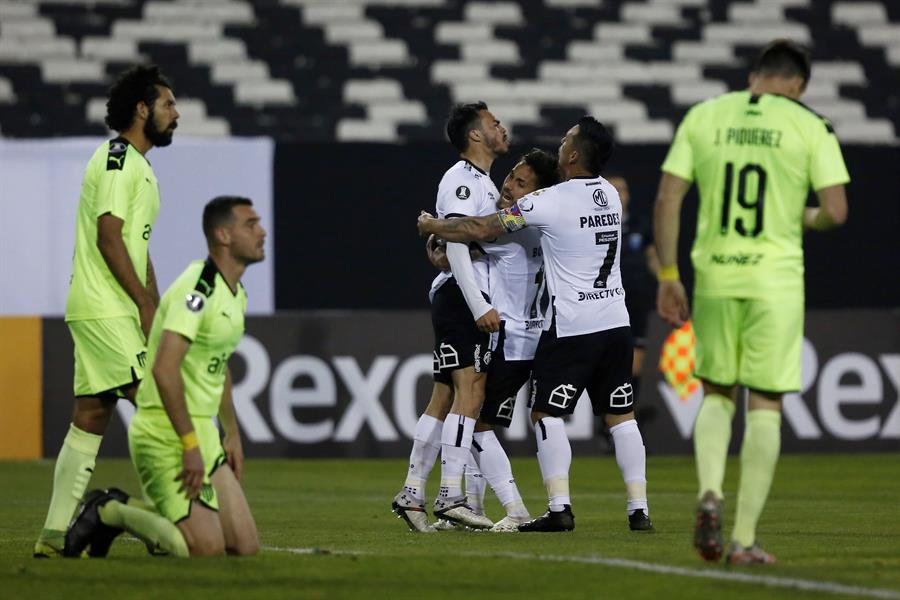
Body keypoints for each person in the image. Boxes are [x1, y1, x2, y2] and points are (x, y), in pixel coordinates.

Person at [653, 39, 849, 565]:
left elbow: (668, 196)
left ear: (754, 76)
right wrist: (804, 217)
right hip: (775, 282)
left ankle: (709, 491)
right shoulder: (810, 125)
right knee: (765, 403)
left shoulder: (704, 116)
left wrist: (669, 274)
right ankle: (742, 540)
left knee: (716, 393)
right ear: (798, 85)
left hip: (715, 275)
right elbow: (836, 210)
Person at [418, 117, 652, 533]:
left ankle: (551, 508)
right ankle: (639, 510)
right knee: (622, 416)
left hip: (569, 325)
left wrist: (435, 226)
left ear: (573, 155)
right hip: (616, 321)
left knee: (537, 413)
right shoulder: (611, 197)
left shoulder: (546, 203)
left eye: (566, 140)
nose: (560, 144)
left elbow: (481, 228)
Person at [64, 196, 265, 558]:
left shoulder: (236, 294)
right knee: (204, 549)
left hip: (204, 433)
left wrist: (231, 432)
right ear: (223, 235)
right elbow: (164, 368)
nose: (262, 232)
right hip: (164, 433)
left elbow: (218, 365)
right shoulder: (197, 290)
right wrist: (189, 445)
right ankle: (109, 510)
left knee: (244, 546)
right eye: (250, 225)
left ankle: (148, 513)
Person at [34, 64, 179, 558]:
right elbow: (109, 236)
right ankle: (162, 525)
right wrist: (142, 303)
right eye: (168, 104)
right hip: (107, 308)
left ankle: (54, 534)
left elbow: (137, 247)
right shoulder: (118, 158)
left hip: (104, 307)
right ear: (141, 109)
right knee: (162, 408)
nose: (176, 114)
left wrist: (154, 303)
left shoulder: (140, 166)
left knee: (91, 416)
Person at [392, 102, 517, 532]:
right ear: (476, 135)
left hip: (459, 297)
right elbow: (459, 246)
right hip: (464, 299)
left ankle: (412, 493)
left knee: (444, 397)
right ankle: (450, 494)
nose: (501, 127)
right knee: (470, 393)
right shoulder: (462, 179)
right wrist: (479, 304)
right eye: (493, 122)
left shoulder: (481, 181)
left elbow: (455, 243)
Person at [427, 148, 561, 531]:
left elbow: (467, 231)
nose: (508, 186)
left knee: (473, 422)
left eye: (521, 183)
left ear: (537, 194)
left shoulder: (511, 228)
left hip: (509, 340)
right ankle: (472, 508)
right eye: (511, 177)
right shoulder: (547, 228)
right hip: (532, 338)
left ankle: (513, 509)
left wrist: (432, 227)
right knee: (476, 422)